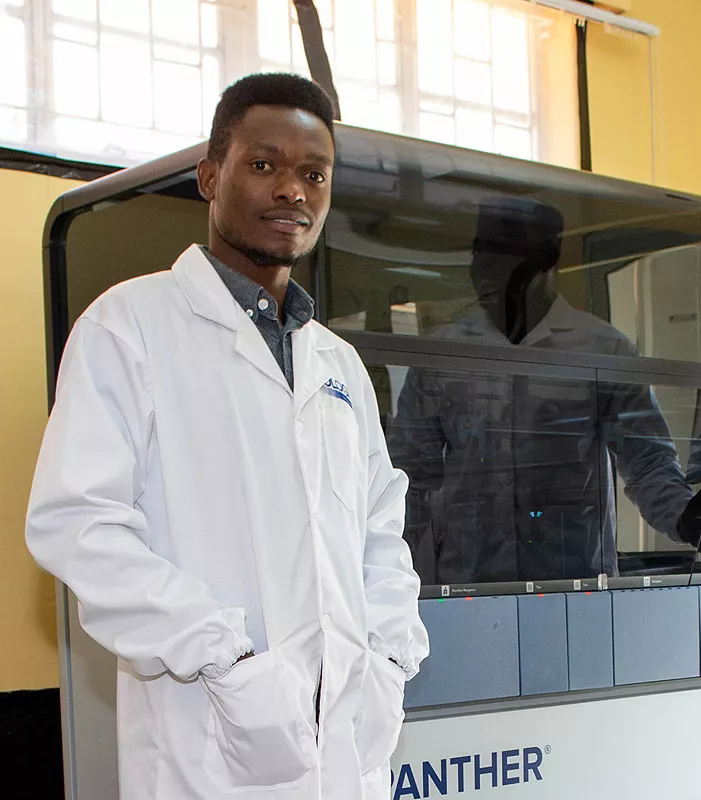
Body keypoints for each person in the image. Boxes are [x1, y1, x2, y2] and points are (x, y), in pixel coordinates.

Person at [26, 73, 427, 800]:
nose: (292, 192)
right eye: (264, 165)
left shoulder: (336, 362)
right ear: (211, 177)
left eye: (314, 174)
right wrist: (229, 656)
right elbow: (77, 524)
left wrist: (389, 658)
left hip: (346, 739)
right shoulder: (129, 327)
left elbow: (380, 531)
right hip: (206, 734)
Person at [386, 197, 701, 585]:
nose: (485, 267)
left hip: (573, 581)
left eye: (504, 253)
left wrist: (682, 516)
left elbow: (646, 460)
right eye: (479, 252)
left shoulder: (601, 350)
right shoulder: (445, 353)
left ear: (547, 258)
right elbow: (409, 474)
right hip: (467, 581)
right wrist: (398, 573)